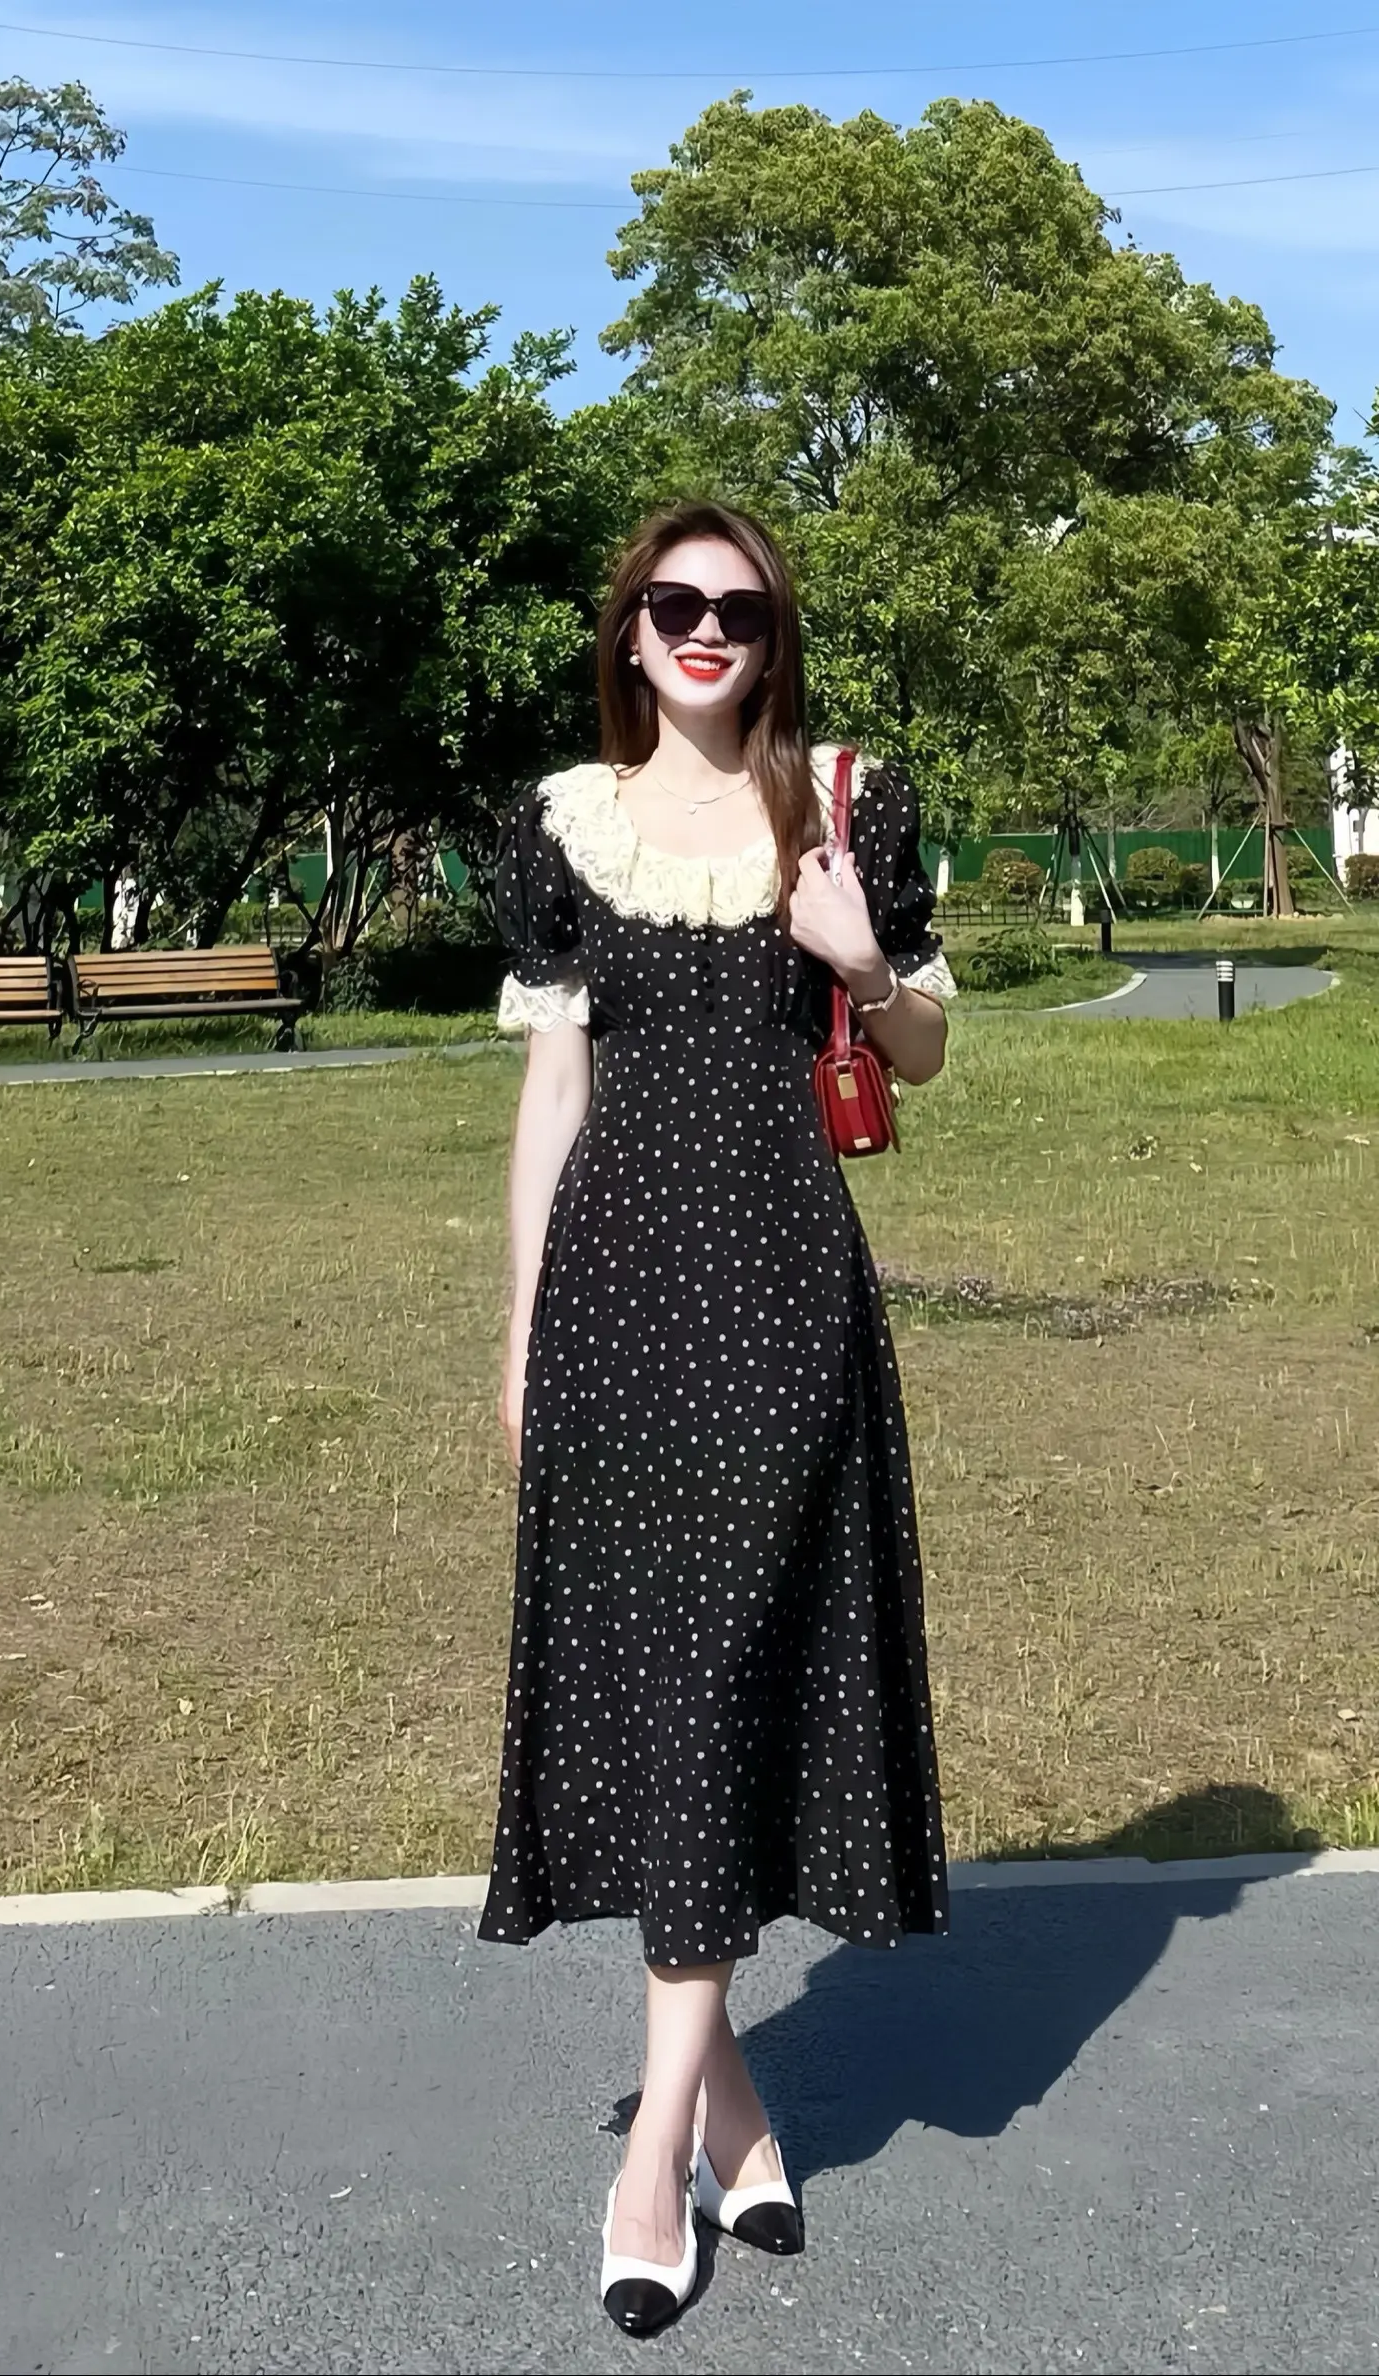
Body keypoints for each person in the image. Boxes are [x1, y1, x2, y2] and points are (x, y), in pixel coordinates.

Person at [479, 498, 956, 2335]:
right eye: (673, 604)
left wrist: (858, 954)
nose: (704, 631)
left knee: (725, 1672)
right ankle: (741, 2120)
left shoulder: (841, 807)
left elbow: (923, 1055)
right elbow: (551, 1099)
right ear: (630, 629)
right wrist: (519, 1337)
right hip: (609, 1313)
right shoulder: (566, 822)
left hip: (778, 1306)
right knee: (672, 1694)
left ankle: (650, 2157)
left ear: (772, 640)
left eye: (738, 611)